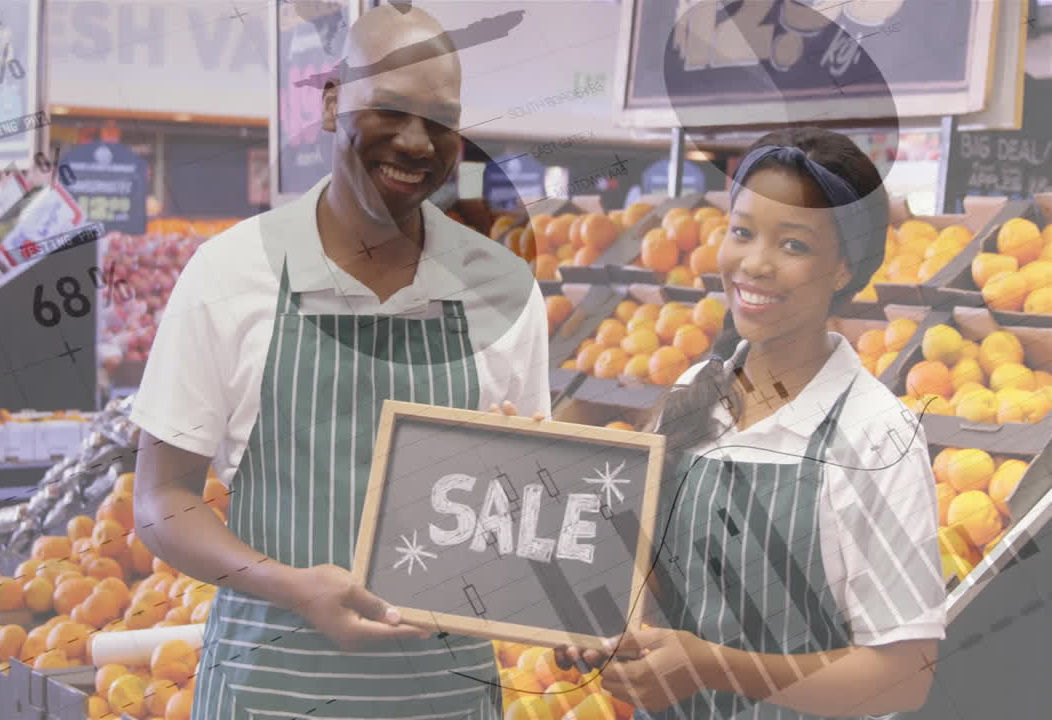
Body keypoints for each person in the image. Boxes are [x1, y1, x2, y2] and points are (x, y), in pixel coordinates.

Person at [130, 4, 550, 719]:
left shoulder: (506, 292)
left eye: (441, 120)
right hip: (269, 693)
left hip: (443, 701)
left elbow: (532, 523)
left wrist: (515, 492)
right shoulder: (230, 275)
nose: (416, 141)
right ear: (331, 103)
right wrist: (290, 585)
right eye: (390, 107)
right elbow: (162, 500)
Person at [557, 128, 945, 719]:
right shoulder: (695, 393)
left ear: (843, 268)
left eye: (793, 246)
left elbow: (903, 675)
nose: (754, 264)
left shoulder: (877, 435)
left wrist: (714, 667)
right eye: (742, 232)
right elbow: (658, 576)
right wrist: (592, 612)